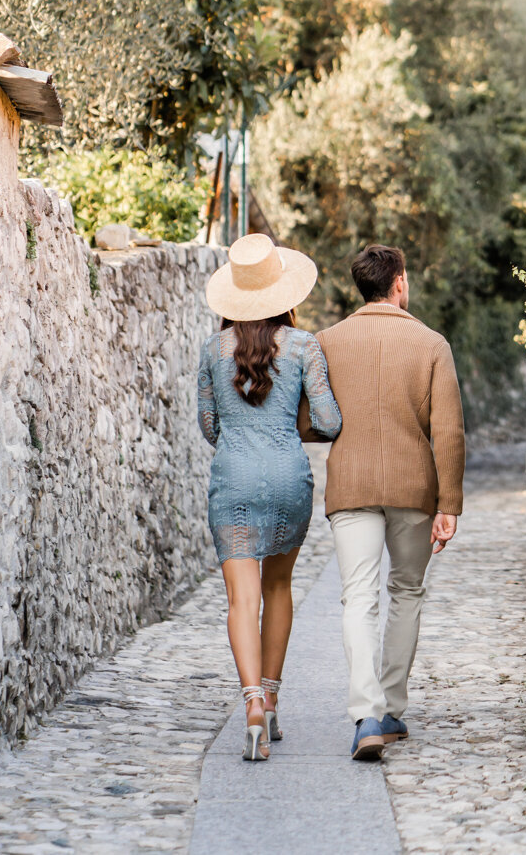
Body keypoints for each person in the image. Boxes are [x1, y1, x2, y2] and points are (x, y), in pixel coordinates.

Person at [308, 243, 465, 762]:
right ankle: (394, 707)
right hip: (413, 488)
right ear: (399, 283)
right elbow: (449, 431)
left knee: (358, 597)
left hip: (351, 484)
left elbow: (310, 420)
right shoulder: (432, 344)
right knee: (407, 590)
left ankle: (367, 715)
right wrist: (450, 503)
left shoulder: (325, 343)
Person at [200, 232, 342, 761]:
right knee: (278, 589)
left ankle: (252, 705)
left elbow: (209, 425)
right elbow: (329, 422)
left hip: (233, 478)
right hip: (288, 479)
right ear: (284, 293)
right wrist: (286, 427)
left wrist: (244, 436)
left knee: (242, 598)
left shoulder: (214, 349)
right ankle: (275, 700)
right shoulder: (306, 347)